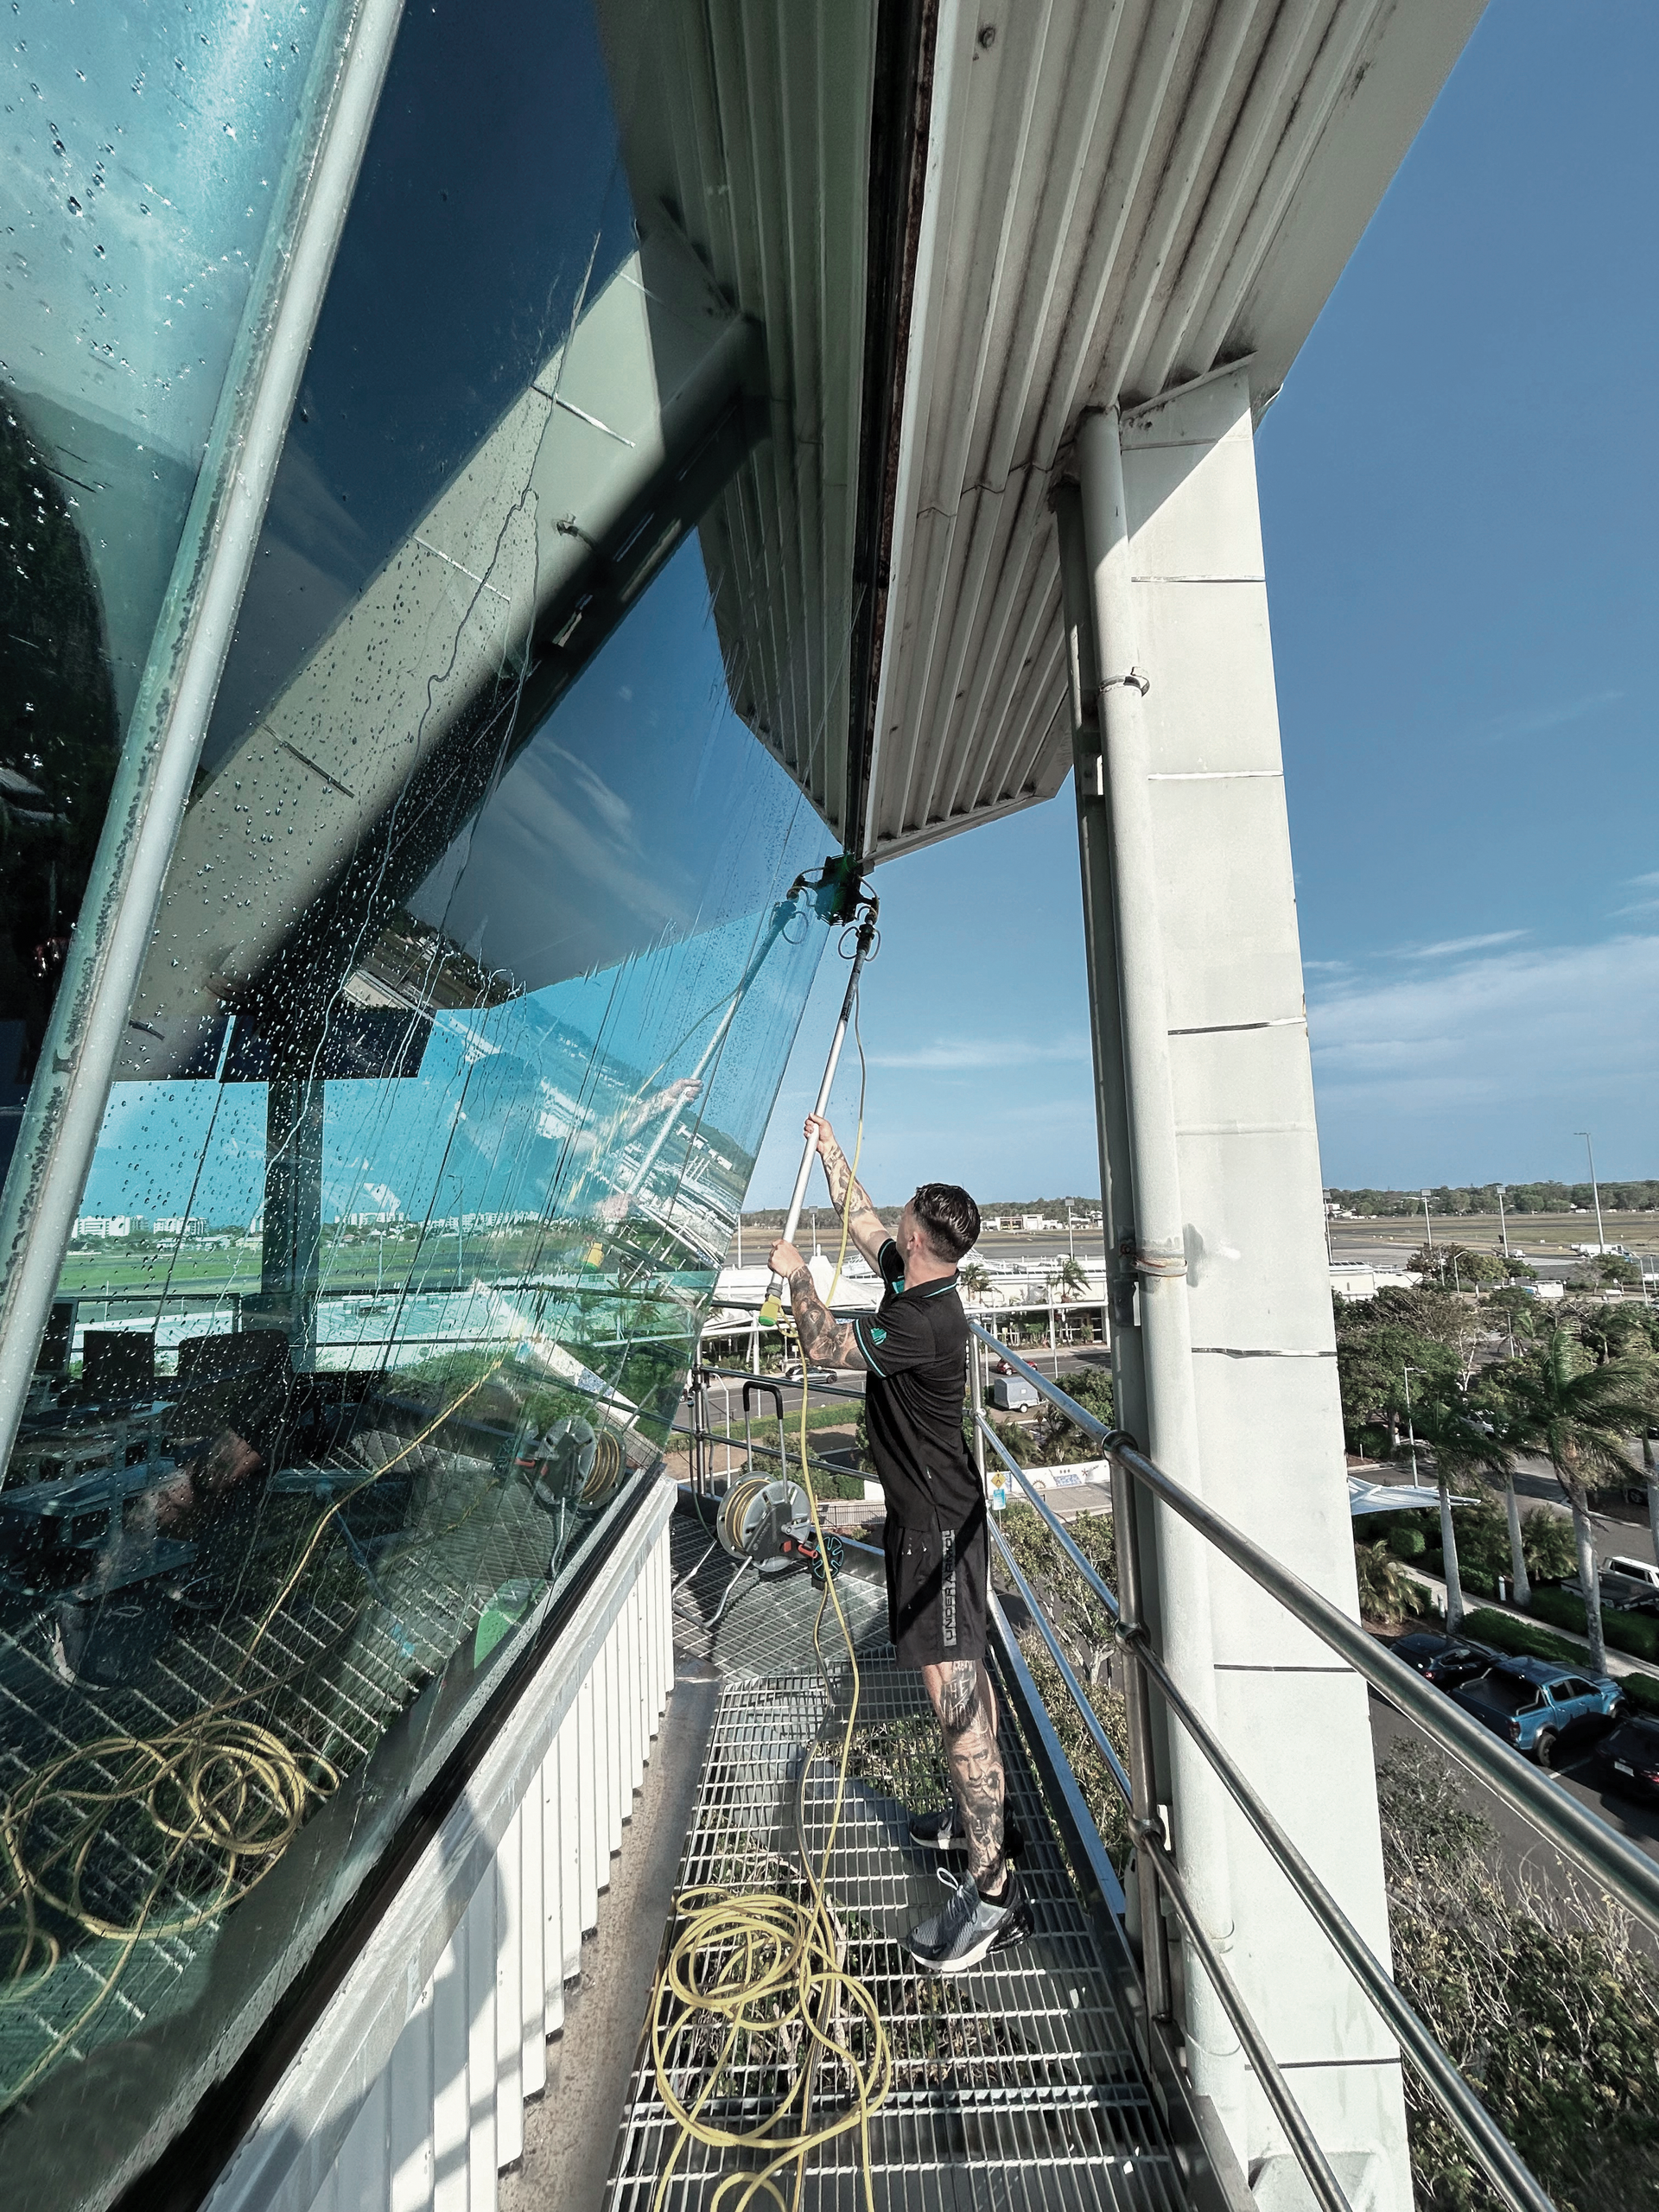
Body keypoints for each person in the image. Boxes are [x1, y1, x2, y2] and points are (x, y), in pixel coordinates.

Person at [768, 1114, 1031, 1975]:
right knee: (967, 1689)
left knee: (956, 1709)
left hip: (936, 1535)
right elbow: (866, 1217)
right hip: (936, 1518)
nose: (895, 1222)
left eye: (906, 1216)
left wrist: (797, 1275)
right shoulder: (917, 1282)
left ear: (923, 1239)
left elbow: (818, 1344)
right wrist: (832, 1152)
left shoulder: (920, 1325)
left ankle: (993, 1893)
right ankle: (973, 1820)